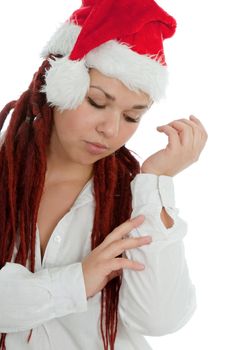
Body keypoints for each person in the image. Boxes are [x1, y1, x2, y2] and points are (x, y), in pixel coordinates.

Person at [0, 0, 208, 349]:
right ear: (59, 83)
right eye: (97, 102)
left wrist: (156, 181)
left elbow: (159, 318)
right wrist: (78, 281)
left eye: (132, 117)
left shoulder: (134, 197)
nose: (110, 129)